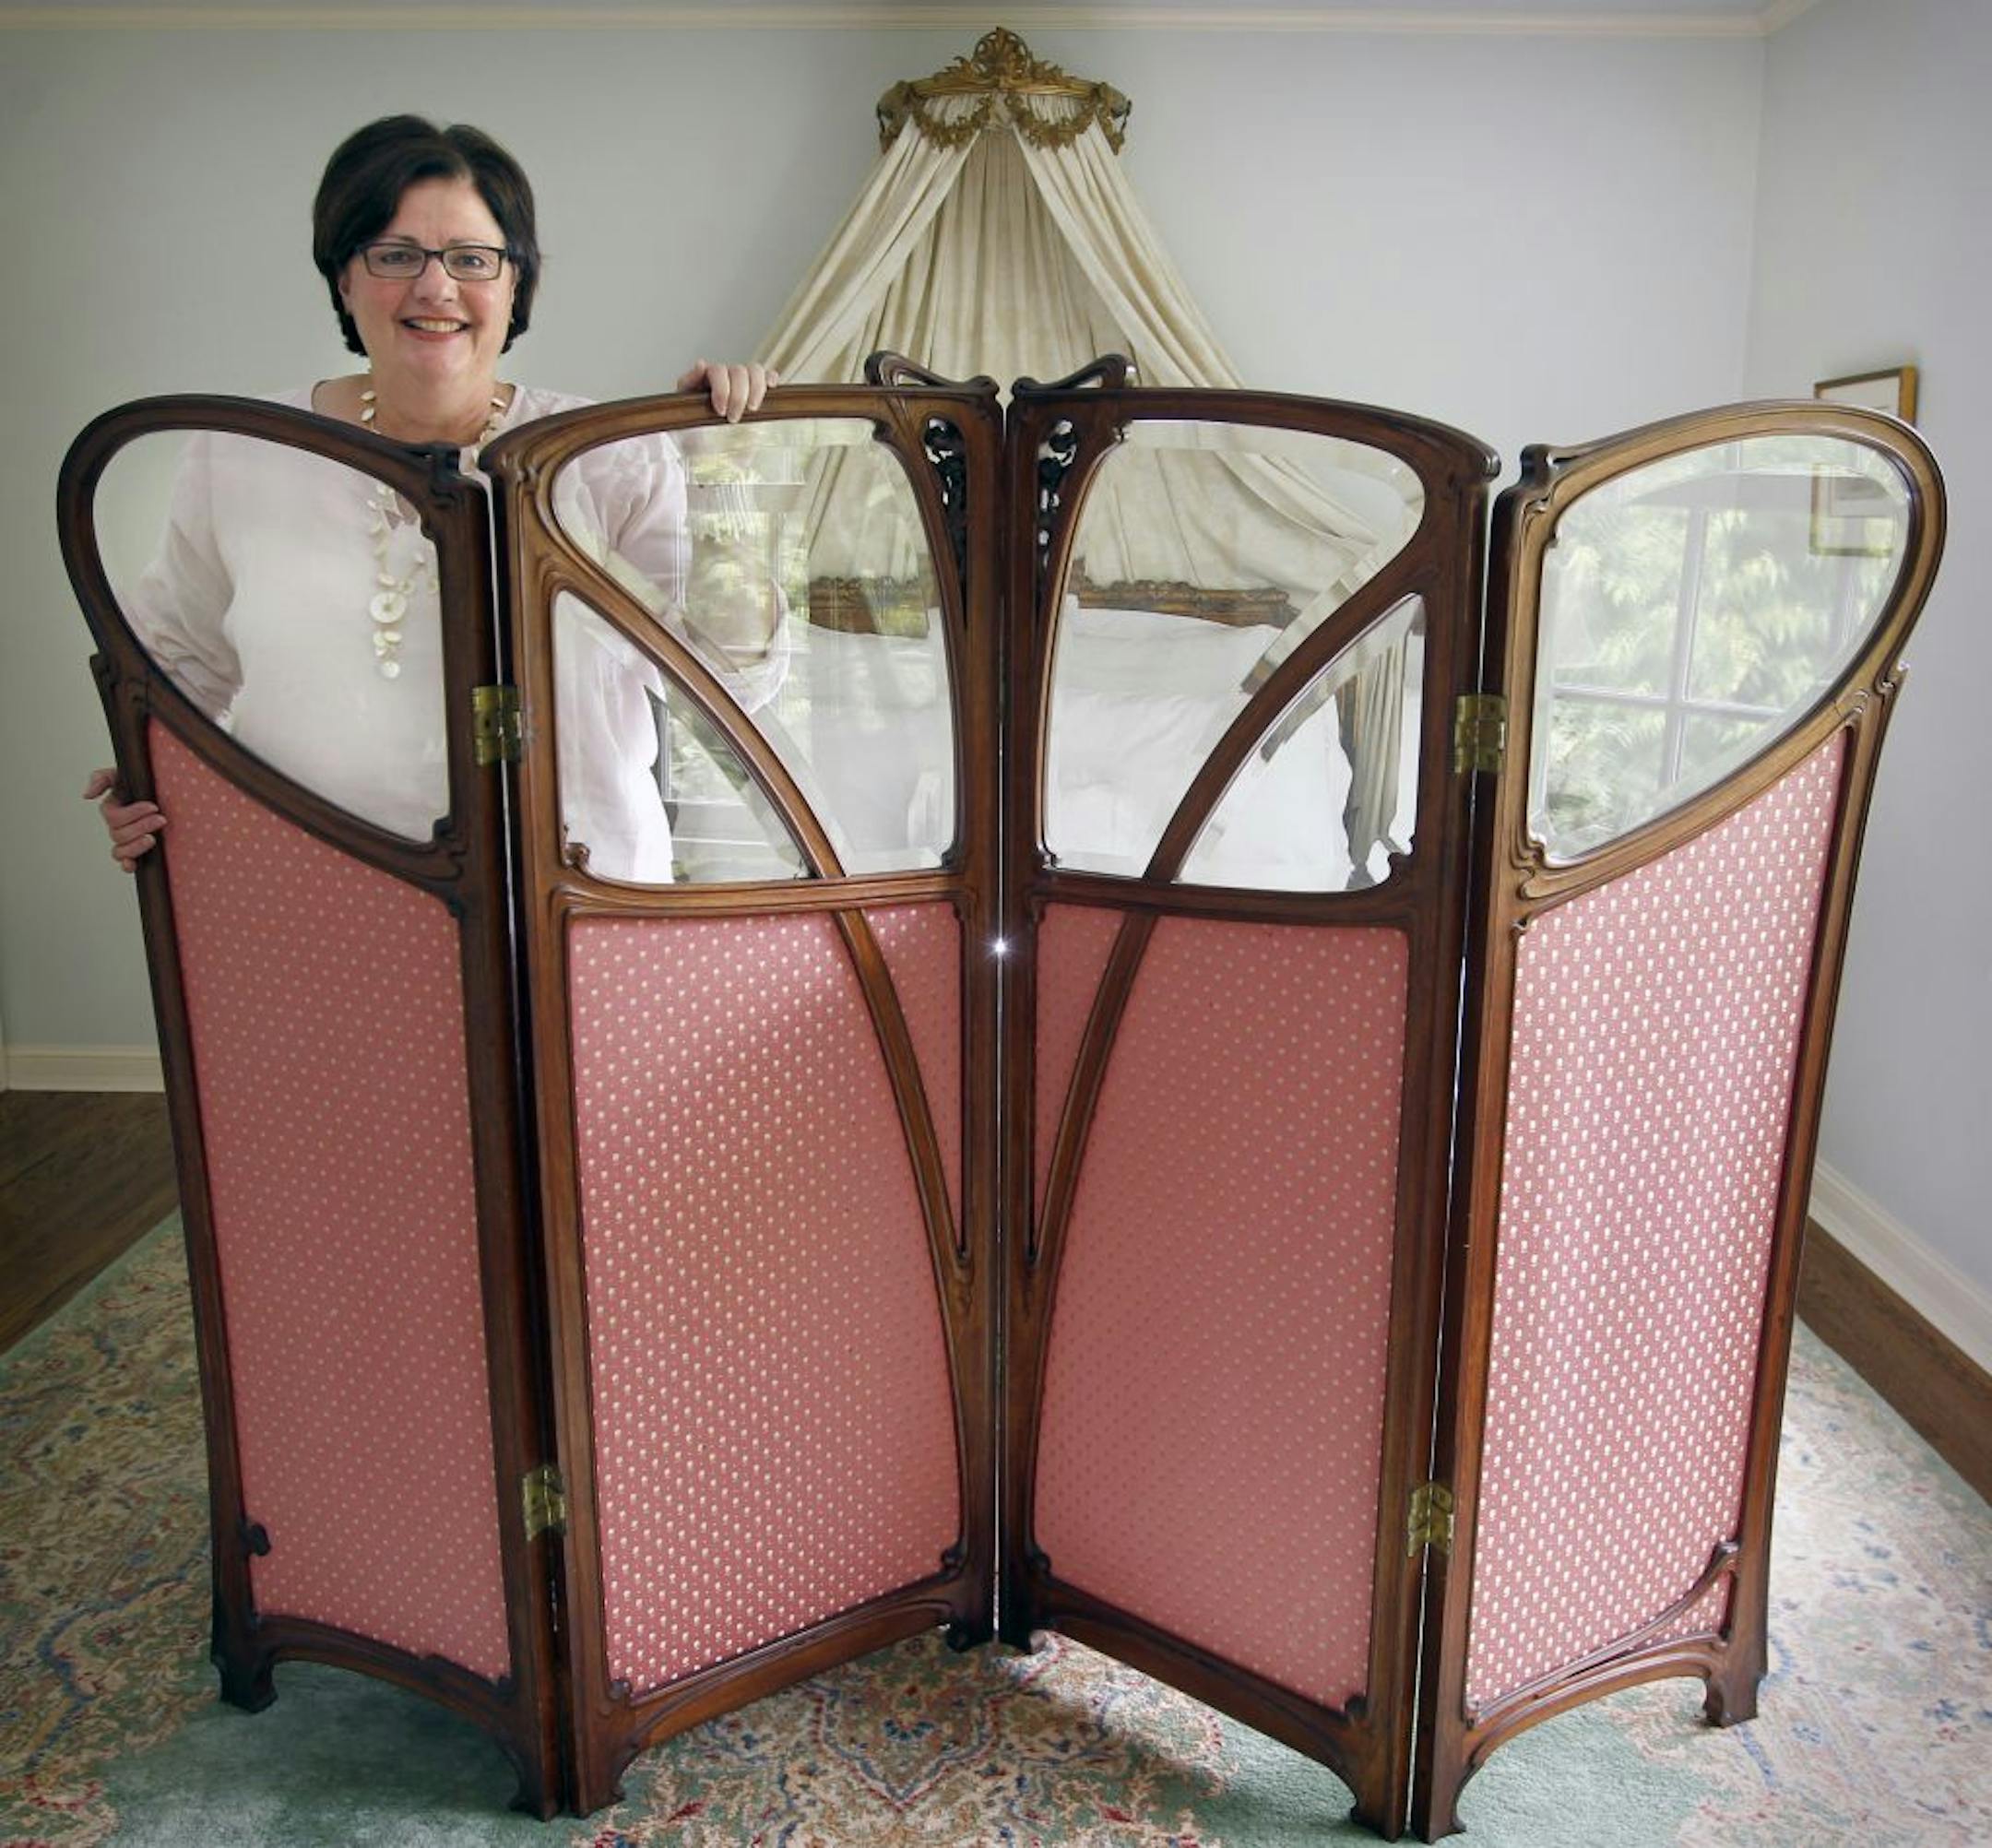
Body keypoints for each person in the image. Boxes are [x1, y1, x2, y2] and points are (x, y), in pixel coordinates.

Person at [88, 113, 778, 879]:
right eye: (396, 255)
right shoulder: (238, 452)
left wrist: (722, 468)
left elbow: (730, 682)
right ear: (344, 278)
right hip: (305, 891)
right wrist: (148, 785)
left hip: (572, 901)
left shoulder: (607, 458)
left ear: (515, 283)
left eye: (472, 259)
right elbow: (178, 672)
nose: (435, 286)